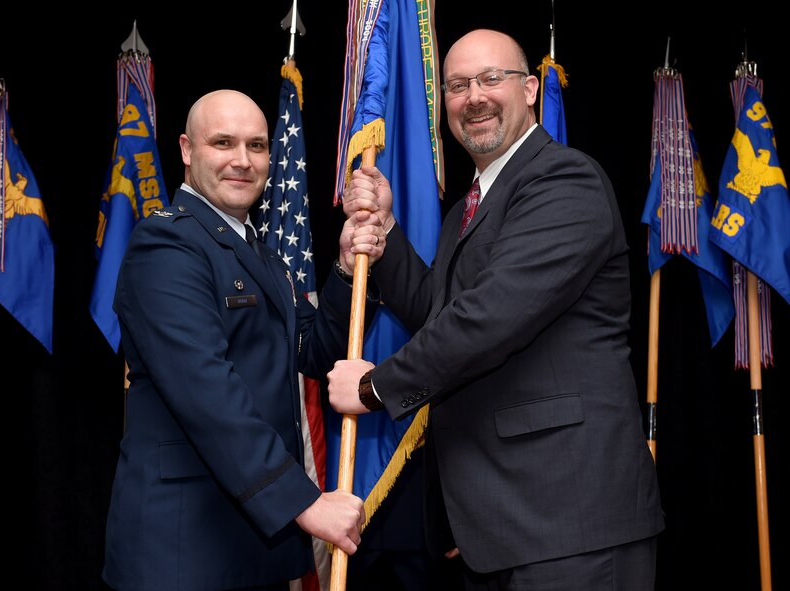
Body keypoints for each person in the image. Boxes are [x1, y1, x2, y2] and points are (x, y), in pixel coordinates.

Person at [327, 29, 665, 591]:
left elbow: (489, 319)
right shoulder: (471, 204)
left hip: (570, 522)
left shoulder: (565, 180)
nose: (474, 97)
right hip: (499, 522)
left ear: (530, 89)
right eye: (457, 86)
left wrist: (374, 388)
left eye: (491, 79)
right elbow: (440, 312)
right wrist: (385, 229)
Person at [102, 89, 387, 591]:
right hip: (184, 548)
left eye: (256, 146)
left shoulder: (257, 250)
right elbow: (206, 392)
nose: (242, 160)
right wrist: (304, 501)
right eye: (223, 143)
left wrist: (344, 272)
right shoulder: (166, 245)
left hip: (252, 546)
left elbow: (310, 351)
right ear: (188, 150)